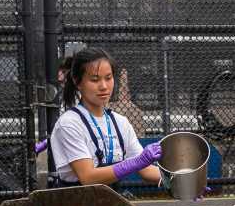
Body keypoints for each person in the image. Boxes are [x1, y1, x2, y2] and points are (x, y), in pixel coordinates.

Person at [49, 47, 161, 188]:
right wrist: (133, 163)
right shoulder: (69, 123)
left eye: (108, 78)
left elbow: (147, 171)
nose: (103, 86)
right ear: (78, 82)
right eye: (95, 80)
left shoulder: (121, 122)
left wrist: (186, 181)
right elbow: (88, 177)